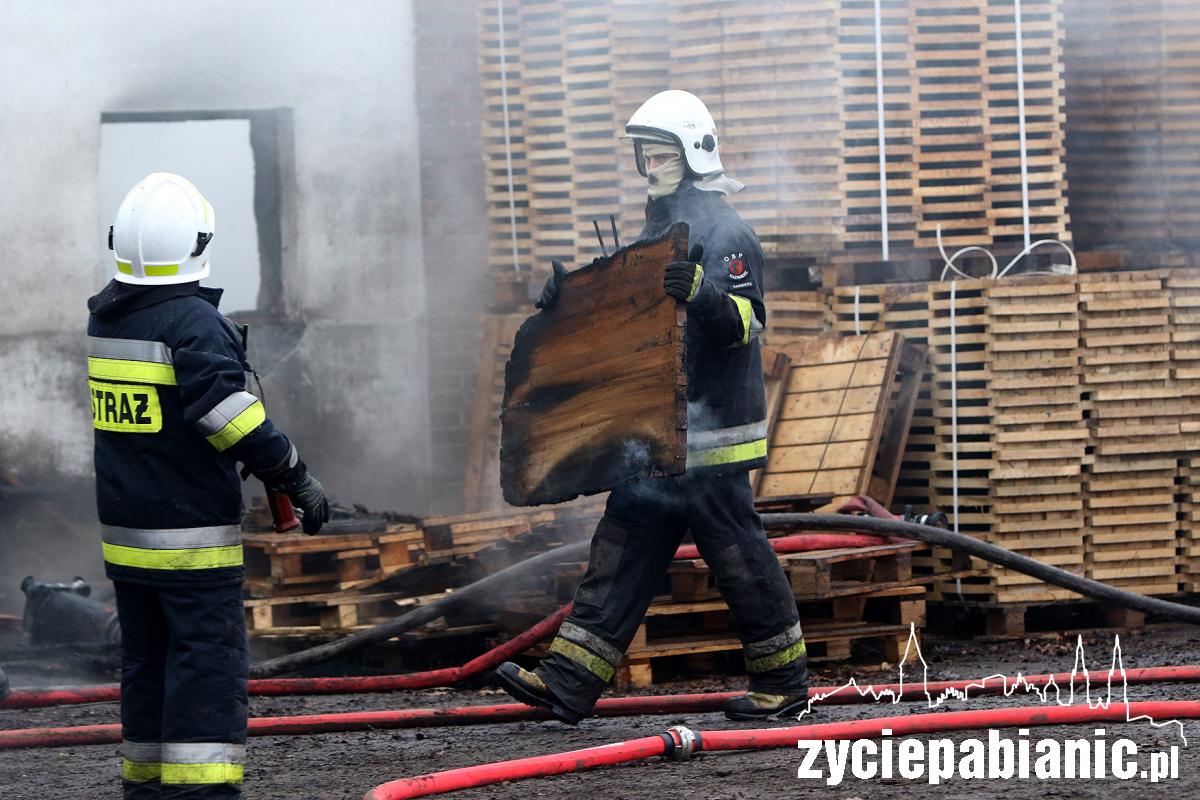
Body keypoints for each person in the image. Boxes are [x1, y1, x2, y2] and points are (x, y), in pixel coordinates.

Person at [495, 90, 808, 723]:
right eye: (645, 155)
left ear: (693, 155)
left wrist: (707, 293)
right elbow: (631, 312)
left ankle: (784, 687)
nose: (650, 166)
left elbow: (748, 325)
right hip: (655, 432)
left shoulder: (727, 231)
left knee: (738, 557)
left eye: (661, 154)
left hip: (711, 438)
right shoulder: (659, 230)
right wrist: (569, 298)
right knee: (623, 548)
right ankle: (567, 682)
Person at [88, 172, 330, 798]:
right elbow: (229, 419)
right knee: (206, 664)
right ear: (198, 246)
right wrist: (295, 475)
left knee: (148, 662)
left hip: (127, 538)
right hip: (189, 541)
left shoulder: (111, 321)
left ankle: (146, 785)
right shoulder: (194, 324)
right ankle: (200, 792)